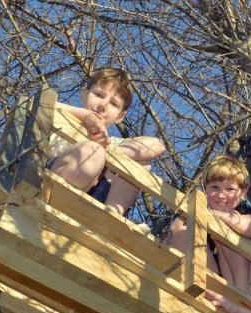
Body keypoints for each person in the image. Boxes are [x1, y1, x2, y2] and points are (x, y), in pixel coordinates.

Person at [48, 67, 165, 216]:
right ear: (84, 94)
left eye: (114, 104)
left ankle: (108, 218)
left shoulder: (112, 143)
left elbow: (157, 145)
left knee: (141, 161)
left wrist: (107, 153)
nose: (103, 105)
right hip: (48, 185)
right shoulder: (61, 117)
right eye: (98, 94)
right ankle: (57, 204)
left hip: (90, 206)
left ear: (120, 116)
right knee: (91, 151)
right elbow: (38, 102)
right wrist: (85, 116)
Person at [167, 155, 251, 296]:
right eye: (215, 187)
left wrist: (217, 217)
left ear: (243, 191)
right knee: (180, 229)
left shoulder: (243, 211)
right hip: (208, 278)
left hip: (246, 283)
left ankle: (241, 298)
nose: (221, 195)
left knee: (227, 235)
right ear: (204, 188)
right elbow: (176, 231)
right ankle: (206, 289)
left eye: (230, 189)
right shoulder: (196, 210)